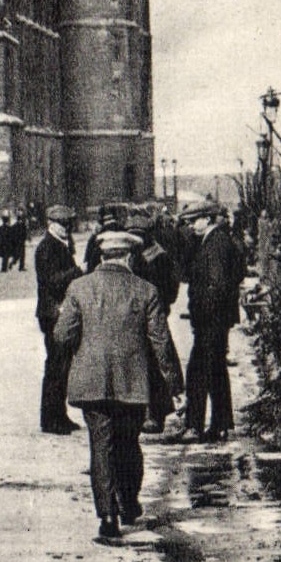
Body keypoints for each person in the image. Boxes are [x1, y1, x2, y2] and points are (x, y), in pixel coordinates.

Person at [54, 225, 183, 542]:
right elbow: (161, 342)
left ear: (102, 254)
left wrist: (85, 351)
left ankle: (107, 515)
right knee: (129, 443)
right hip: (133, 382)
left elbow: (61, 335)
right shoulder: (145, 290)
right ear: (128, 255)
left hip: (91, 384)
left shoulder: (79, 288)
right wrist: (174, 383)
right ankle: (128, 502)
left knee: (101, 447)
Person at [183, 206, 246, 441]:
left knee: (199, 372)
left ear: (206, 219)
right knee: (216, 371)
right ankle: (219, 424)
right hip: (216, 319)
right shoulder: (218, 240)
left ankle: (195, 427)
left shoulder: (215, 244)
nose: (190, 226)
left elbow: (216, 285)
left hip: (211, 320)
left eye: (193, 221)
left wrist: (202, 312)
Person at [128, 210, 183, 432]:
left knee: (156, 363)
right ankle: (141, 412)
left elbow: (171, 286)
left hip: (153, 315)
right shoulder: (133, 255)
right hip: (135, 318)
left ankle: (156, 413)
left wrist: (162, 307)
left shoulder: (158, 257)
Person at [34, 205, 83, 433]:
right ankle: (51, 419)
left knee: (62, 366)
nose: (67, 228)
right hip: (52, 313)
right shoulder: (47, 248)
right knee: (55, 366)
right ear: (51, 224)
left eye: (69, 224)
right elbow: (52, 281)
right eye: (63, 224)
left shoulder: (61, 244)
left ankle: (59, 415)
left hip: (58, 312)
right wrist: (76, 272)